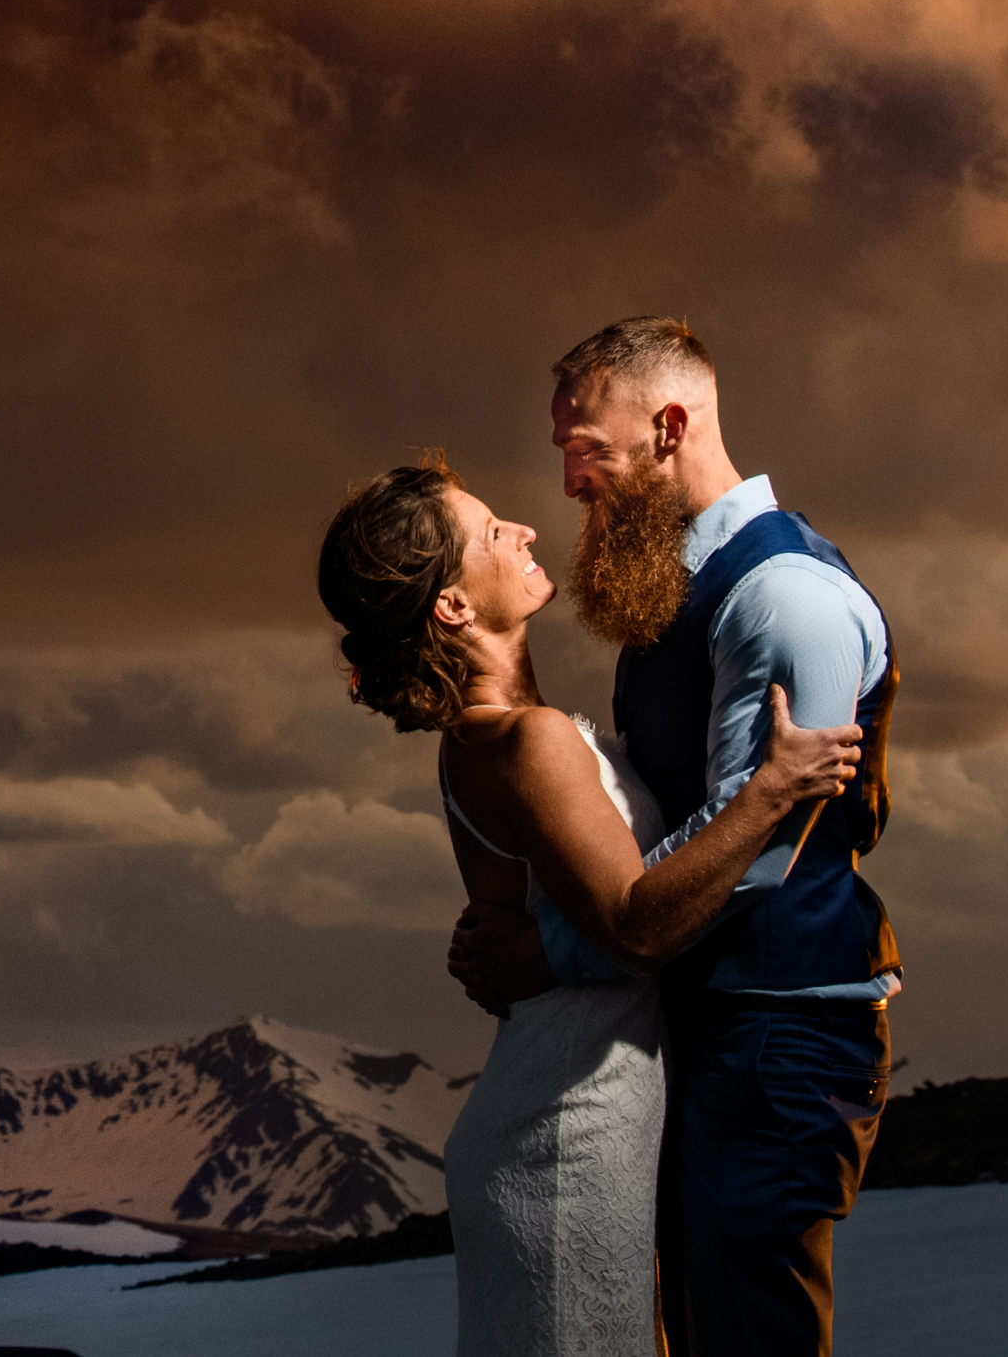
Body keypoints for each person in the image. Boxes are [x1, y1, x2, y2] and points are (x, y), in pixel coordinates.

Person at [320, 452, 862, 1356]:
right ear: (452, 605)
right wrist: (769, 791)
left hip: (566, 1111)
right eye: (493, 531)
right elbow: (639, 925)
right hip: (568, 1135)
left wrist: (537, 954)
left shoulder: (489, 737)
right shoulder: (527, 740)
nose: (526, 529)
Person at [449, 318, 900, 1357]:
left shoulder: (782, 595)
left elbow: (753, 859)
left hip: (776, 1030)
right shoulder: (682, 591)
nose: (567, 485)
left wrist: (548, 956)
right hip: (715, 1023)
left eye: (587, 452)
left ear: (666, 427)